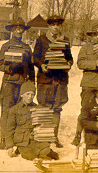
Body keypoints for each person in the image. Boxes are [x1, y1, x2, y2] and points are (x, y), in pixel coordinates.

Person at [33, 15, 73, 148]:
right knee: (44, 107)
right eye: (52, 25)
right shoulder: (42, 39)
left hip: (60, 79)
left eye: (58, 25)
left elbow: (69, 58)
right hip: (46, 79)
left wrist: (68, 64)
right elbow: (35, 57)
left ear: (60, 26)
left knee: (57, 108)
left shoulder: (65, 40)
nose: (55, 27)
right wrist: (41, 65)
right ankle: (44, 137)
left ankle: (54, 137)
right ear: (48, 26)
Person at [0, 18, 35, 150]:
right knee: (6, 111)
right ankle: (4, 138)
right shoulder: (5, 46)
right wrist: (9, 67)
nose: (19, 31)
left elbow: (31, 67)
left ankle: (18, 137)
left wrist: (32, 84)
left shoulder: (27, 47)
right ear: (12, 30)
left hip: (23, 84)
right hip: (9, 83)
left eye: (21, 29)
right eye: (16, 28)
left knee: (21, 111)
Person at [71, 25, 98, 146]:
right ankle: (78, 135)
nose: (97, 37)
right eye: (95, 35)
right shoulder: (85, 48)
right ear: (91, 36)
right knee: (85, 110)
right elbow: (80, 63)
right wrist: (95, 63)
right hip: (89, 83)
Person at [5, 81, 59, 161]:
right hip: (23, 142)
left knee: (47, 152)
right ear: (22, 94)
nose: (30, 97)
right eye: (27, 94)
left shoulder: (37, 108)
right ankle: (20, 150)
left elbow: (42, 126)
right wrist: (9, 146)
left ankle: (43, 154)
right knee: (30, 155)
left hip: (35, 140)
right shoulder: (14, 110)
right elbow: (9, 129)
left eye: (32, 94)